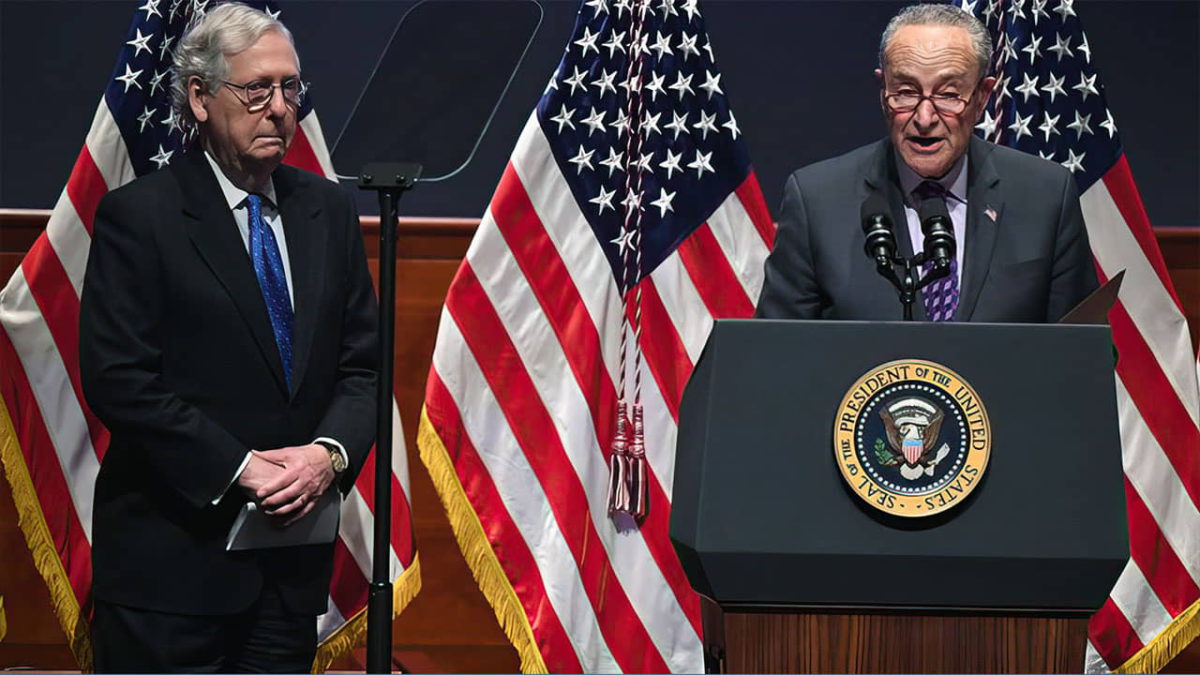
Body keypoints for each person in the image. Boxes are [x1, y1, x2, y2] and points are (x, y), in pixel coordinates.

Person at [79, 4, 378, 671]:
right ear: (201, 97)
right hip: (171, 577)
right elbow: (119, 378)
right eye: (258, 89)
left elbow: (364, 367)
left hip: (287, 583)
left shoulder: (326, 210)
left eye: (291, 88)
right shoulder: (139, 216)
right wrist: (243, 467)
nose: (279, 108)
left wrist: (326, 456)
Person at [756, 4, 1097, 322]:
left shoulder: (1045, 195)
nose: (924, 117)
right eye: (905, 92)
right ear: (882, 92)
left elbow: (1077, 354)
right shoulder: (817, 200)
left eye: (949, 95)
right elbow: (776, 352)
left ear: (981, 99)